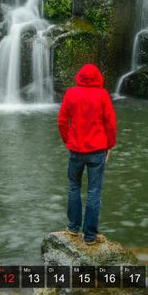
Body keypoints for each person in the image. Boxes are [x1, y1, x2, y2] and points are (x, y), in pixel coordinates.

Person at [57, 63, 117, 245]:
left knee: (74, 187)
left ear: (79, 77)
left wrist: (67, 140)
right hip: (97, 150)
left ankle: (73, 228)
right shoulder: (102, 95)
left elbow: (62, 121)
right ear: (98, 78)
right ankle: (90, 236)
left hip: (75, 149)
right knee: (93, 192)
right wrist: (110, 145)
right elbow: (110, 123)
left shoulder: (70, 94)